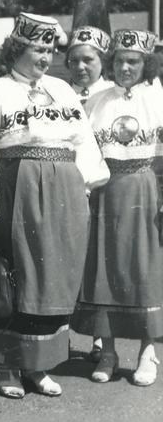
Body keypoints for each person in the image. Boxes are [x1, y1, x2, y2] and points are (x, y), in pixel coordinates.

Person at [0, 13, 109, 398]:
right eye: (37, 49)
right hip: (18, 189)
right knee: (22, 275)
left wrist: (84, 187)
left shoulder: (62, 90)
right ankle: (8, 365)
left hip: (65, 191)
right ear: (17, 48)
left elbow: (83, 141)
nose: (45, 57)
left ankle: (39, 364)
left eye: (49, 49)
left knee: (54, 277)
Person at [72, 29, 162, 385]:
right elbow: (83, 151)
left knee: (144, 272)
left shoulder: (157, 99)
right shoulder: (97, 102)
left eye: (133, 61)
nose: (125, 67)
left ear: (146, 63)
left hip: (146, 191)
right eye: (120, 61)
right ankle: (107, 350)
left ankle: (147, 353)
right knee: (104, 271)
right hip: (105, 193)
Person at [64, 26, 113, 108]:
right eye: (74, 60)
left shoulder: (114, 94)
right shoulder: (59, 94)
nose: (80, 67)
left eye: (87, 60)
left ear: (103, 61)